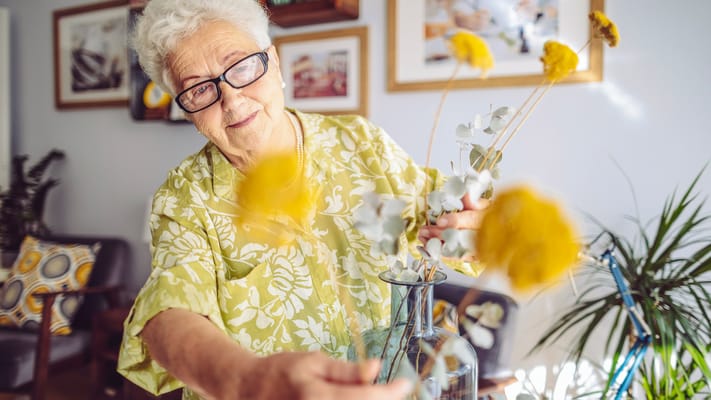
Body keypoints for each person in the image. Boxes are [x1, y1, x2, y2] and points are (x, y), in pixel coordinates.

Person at [117, 0, 487, 399]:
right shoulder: (184, 198)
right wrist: (245, 380)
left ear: (273, 63)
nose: (232, 100)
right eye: (199, 88)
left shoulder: (361, 144)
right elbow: (169, 313)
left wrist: (473, 227)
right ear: (187, 110)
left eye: (241, 67)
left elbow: (452, 216)